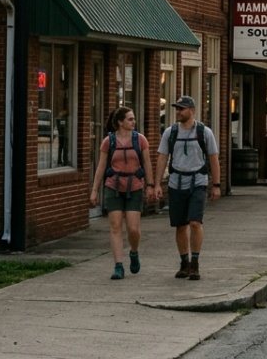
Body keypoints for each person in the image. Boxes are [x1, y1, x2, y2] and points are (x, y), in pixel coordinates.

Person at [156, 95, 220, 281]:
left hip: (198, 182)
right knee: (180, 225)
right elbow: (162, 157)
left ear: (192, 111)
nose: (178, 112)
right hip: (176, 182)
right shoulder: (171, 132)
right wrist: (157, 183)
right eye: (177, 108)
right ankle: (184, 262)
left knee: (195, 222)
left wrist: (216, 185)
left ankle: (195, 262)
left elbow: (213, 158)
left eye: (182, 109)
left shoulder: (204, 132)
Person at [88, 106, 155, 280]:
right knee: (116, 226)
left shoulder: (140, 140)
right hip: (113, 187)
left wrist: (150, 185)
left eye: (133, 119)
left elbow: (147, 164)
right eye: (130, 119)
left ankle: (134, 252)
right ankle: (118, 265)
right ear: (120, 122)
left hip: (135, 187)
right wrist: (94, 190)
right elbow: (101, 167)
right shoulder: (108, 141)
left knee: (133, 229)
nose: (134, 122)